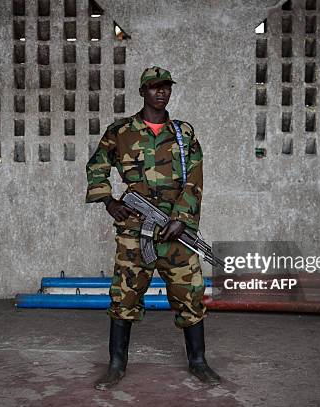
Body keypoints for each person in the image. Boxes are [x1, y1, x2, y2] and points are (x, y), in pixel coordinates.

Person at [85, 66, 221, 390]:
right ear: (142, 91)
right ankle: (116, 365)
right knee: (124, 297)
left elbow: (195, 179)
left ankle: (198, 362)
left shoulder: (183, 133)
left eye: (165, 87)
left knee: (191, 295)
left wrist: (181, 218)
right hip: (135, 232)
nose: (160, 92)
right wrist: (109, 202)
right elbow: (96, 168)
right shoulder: (120, 132)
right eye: (153, 87)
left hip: (176, 232)